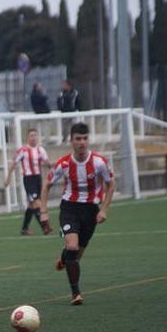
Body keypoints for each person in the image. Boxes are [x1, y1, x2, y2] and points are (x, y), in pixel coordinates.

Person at [39, 122, 115, 305]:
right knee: (72, 247)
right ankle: (76, 294)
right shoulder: (63, 163)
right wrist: (43, 211)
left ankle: (64, 258)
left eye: (85, 138)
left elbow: (111, 184)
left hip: (90, 211)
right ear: (71, 141)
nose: (82, 142)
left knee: (76, 255)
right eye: (78, 139)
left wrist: (104, 209)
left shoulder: (99, 162)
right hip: (69, 209)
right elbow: (46, 185)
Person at [4, 128, 54, 236]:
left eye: (35, 135)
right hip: (29, 179)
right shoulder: (23, 150)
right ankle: (45, 226)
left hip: (38, 179)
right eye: (31, 135)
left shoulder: (40, 150)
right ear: (27, 138)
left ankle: (24, 229)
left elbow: (47, 162)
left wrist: (53, 167)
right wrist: (8, 178)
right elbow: (13, 164)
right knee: (38, 203)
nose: (34, 137)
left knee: (32, 205)